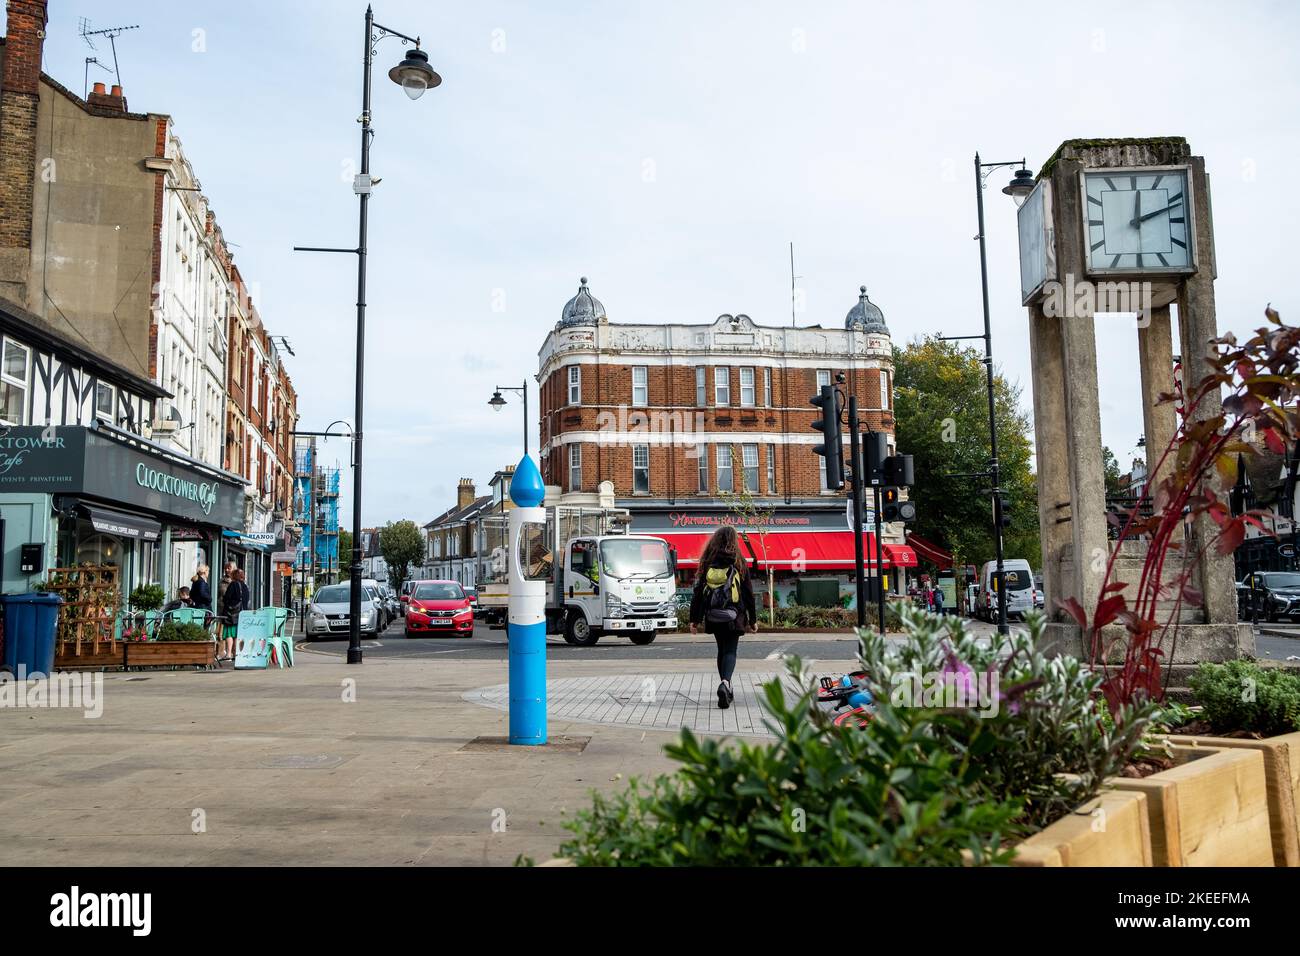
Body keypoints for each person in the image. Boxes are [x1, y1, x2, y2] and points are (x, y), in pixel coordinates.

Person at [688, 525, 758, 710]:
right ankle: (726, 683)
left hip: (713, 615)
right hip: (734, 615)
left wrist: (694, 619)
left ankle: (726, 686)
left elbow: (698, 593)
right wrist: (752, 620)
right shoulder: (739, 562)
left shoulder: (708, 561)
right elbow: (749, 592)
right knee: (730, 650)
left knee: (721, 649)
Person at [219, 568, 250, 662]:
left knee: (229, 633)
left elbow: (227, 598)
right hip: (242, 613)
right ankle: (236, 653)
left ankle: (228, 654)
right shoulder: (245, 586)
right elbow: (246, 600)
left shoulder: (233, 584)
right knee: (237, 634)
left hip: (231, 613)